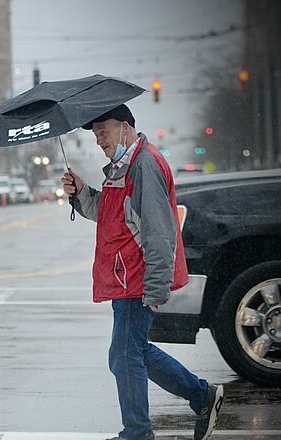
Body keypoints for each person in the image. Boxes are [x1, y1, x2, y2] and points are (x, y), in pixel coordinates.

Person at [61, 105, 224, 440]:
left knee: (124, 356)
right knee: (130, 352)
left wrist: (155, 288)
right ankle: (201, 394)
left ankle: (137, 433)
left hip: (137, 278)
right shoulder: (123, 167)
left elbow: (159, 232)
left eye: (103, 131)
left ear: (125, 127)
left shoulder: (144, 165)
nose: (98, 139)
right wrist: (81, 194)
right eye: (94, 134)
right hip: (125, 277)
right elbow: (110, 216)